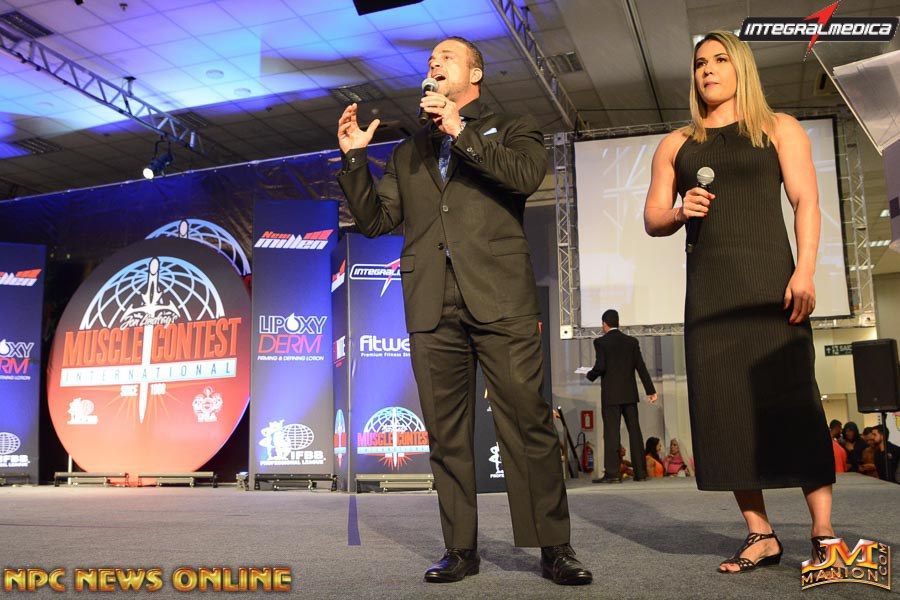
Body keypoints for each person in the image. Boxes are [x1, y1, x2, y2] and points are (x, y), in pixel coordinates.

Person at [335, 36, 591, 586]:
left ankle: (554, 547)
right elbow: (377, 221)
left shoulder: (514, 126)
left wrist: (458, 128)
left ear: (475, 73)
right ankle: (460, 549)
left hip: (500, 296)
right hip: (431, 301)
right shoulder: (408, 151)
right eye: (430, 60)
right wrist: (355, 159)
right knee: (446, 434)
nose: (434, 63)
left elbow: (523, 177)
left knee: (526, 420)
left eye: (446, 57)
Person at [643, 30, 836, 573]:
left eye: (719, 59)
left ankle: (823, 532)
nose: (707, 69)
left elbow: (806, 201)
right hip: (711, 295)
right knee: (724, 408)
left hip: (772, 285)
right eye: (700, 62)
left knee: (796, 400)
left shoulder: (778, 128)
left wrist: (804, 270)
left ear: (741, 67)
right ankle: (761, 532)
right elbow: (653, 217)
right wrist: (679, 211)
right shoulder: (676, 144)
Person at [585, 309, 658, 483]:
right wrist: (650, 390)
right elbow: (641, 367)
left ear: (604, 324)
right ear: (618, 323)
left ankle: (612, 474)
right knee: (635, 432)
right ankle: (640, 473)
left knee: (612, 433)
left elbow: (601, 366)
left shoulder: (600, 342)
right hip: (629, 394)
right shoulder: (631, 342)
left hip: (611, 396)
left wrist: (589, 375)